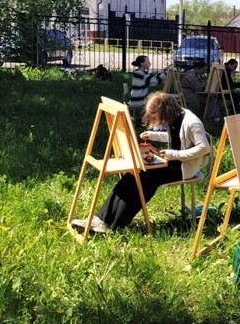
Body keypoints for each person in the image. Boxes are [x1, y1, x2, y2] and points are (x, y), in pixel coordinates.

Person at [70, 93, 211, 233]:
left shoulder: (192, 122)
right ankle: (100, 219)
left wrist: (174, 154)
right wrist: (154, 136)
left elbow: (204, 148)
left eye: (156, 117)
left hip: (184, 168)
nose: (156, 121)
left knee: (144, 180)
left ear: (166, 111)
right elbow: (176, 137)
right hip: (173, 162)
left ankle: (114, 224)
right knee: (134, 174)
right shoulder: (175, 116)